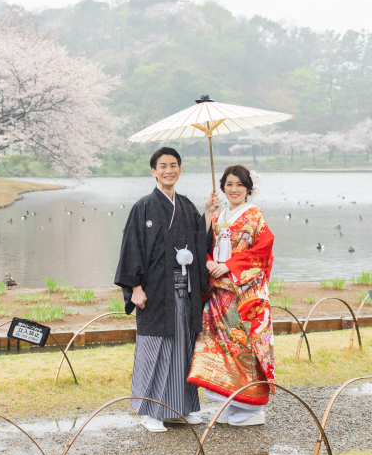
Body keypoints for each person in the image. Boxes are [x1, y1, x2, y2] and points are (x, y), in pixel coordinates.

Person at [115, 147, 219, 433]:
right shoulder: (144, 206)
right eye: (163, 166)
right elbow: (131, 248)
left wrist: (208, 213)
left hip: (182, 289)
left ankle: (180, 409)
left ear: (180, 170)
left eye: (174, 165)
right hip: (155, 290)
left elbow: (200, 240)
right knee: (155, 347)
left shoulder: (185, 205)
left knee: (181, 347)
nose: (168, 170)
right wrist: (135, 287)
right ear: (153, 171)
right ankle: (151, 411)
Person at [187, 165, 275, 427]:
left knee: (244, 347)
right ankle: (231, 401)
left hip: (244, 296)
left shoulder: (254, 215)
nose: (234, 189)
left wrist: (231, 265)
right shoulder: (218, 216)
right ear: (222, 188)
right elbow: (201, 243)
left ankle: (252, 409)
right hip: (218, 294)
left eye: (239, 184)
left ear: (248, 188)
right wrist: (209, 262)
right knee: (222, 347)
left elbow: (263, 250)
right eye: (229, 184)